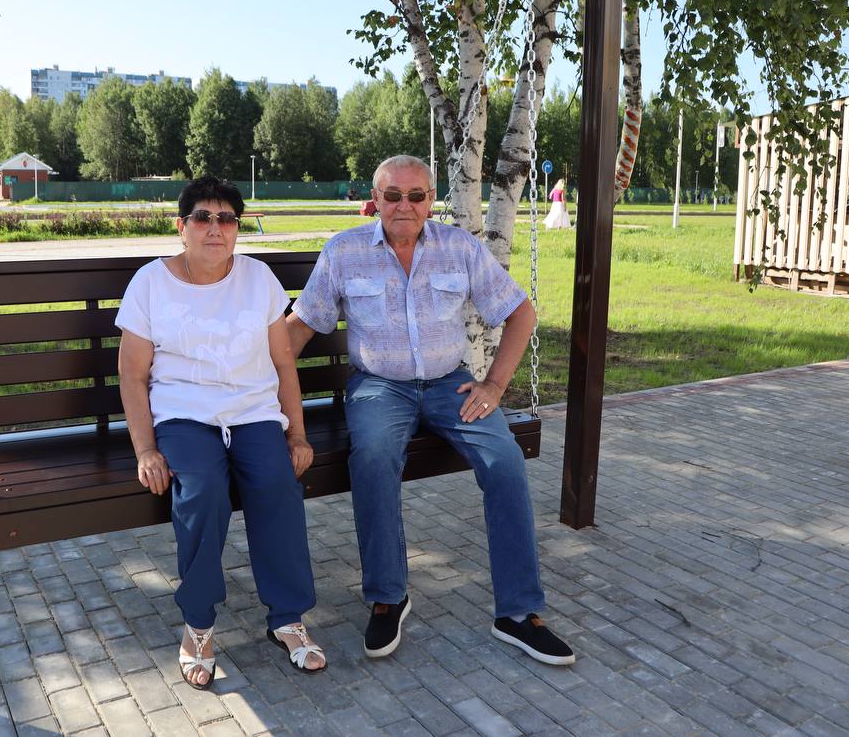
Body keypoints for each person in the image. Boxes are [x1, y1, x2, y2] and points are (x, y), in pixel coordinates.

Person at [285, 155, 575, 666]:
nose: (405, 205)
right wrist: (244, 378)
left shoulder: (459, 248)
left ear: (430, 200)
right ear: (375, 200)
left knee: (505, 461)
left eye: (416, 195)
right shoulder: (344, 252)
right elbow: (301, 327)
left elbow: (521, 313)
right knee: (373, 457)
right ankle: (387, 597)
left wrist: (495, 385)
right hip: (379, 386)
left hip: (450, 385)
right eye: (393, 195)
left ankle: (518, 612)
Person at [116, 176, 326, 691]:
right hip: (183, 417)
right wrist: (145, 449)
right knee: (203, 491)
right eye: (203, 217)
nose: (215, 228)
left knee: (277, 485)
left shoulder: (259, 279)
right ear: (181, 226)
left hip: (253, 412)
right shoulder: (150, 283)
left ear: (237, 227)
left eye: (226, 218)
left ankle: (287, 618)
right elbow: (133, 375)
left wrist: (297, 434)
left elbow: (283, 361)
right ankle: (199, 623)